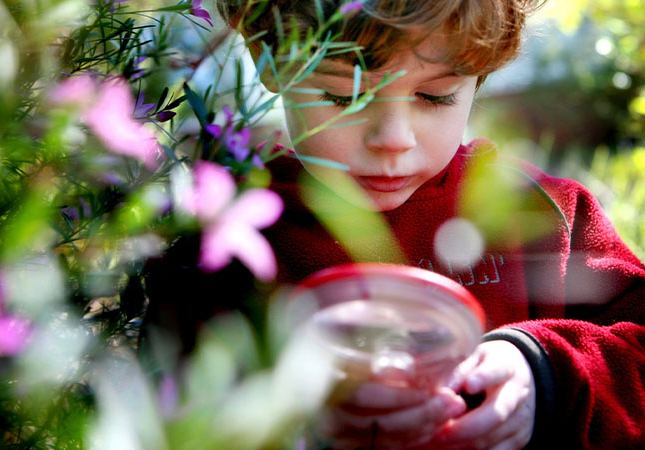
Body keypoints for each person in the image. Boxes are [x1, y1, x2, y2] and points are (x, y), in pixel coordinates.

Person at [212, 0, 645, 448]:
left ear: (480, 73)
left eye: (435, 95)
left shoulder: (537, 214)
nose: (393, 139)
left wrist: (548, 378)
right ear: (269, 62)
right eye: (344, 96)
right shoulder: (228, 232)